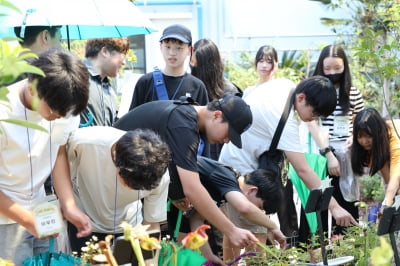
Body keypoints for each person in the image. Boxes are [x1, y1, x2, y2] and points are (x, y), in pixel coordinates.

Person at [219, 76, 358, 246]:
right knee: (254, 236)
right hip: (242, 171)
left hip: (236, 164)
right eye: (314, 114)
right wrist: (334, 206)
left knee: (243, 232)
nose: (313, 120)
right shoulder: (283, 118)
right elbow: (303, 170)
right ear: (301, 98)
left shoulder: (284, 85)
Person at [114, 95, 259, 254]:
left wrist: (175, 193)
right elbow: (193, 188)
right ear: (217, 115)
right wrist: (231, 230)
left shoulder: (186, 116)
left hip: (126, 179)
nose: (226, 141)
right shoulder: (183, 123)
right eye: (228, 134)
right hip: (113, 175)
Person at [0, 48, 92, 265]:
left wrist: (69, 205)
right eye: (52, 112)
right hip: (5, 219)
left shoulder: (64, 107)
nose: (57, 118)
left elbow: (57, 152)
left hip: (41, 209)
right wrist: (26, 220)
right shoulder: (4, 114)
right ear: (33, 89)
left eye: (64, 114)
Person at [67, 126, 170, 253]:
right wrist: (67, 204)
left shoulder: (158, 175)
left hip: (128, 228)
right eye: (129, 183)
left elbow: (151, 225)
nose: (131, 190)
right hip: (84, 223)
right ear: (115, 156)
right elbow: (59, 163)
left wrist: (150, 260)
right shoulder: (85, 142)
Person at [307, 45, 364, 235]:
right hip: (321, 154)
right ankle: (320, 249)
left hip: (347, 154)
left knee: (348, 201)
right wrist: (328, 154)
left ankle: (348, 248)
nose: (332, 73)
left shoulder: (353, 93)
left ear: (344, 67)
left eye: (337, 68)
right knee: (322, 204)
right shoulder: (316, 92)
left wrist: (354, 139)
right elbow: (311, 123)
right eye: (327, 68)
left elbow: (357, 122)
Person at [191, 156, 286, 263]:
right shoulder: (226, 178)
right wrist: (273, 227)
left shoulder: (224, 192)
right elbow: (245, 208)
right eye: (259, 207)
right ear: (252, 190)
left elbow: (196, 220)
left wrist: (209, 256)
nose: (256, 212)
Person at [128, 24, 208, 110]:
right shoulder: (145, 82)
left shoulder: (197, 86)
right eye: (168, 47)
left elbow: (203, 121)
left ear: (190, 50)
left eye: (179, 48)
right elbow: (133, 119)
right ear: (161, 47)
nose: (172, 53)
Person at [351, 108, 400, 208]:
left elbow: (396, 176)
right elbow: (386, 172)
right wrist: (389, 200)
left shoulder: (394, 139)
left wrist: (387, 203)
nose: (364, 141)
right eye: (360, 136)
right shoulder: (378, 145)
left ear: (377, 132)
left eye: (368, 136)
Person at [79, 38, 130, 127]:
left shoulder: (109, 88)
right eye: (122, 54)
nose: (124, 62)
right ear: (105, 52)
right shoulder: (75, 78)